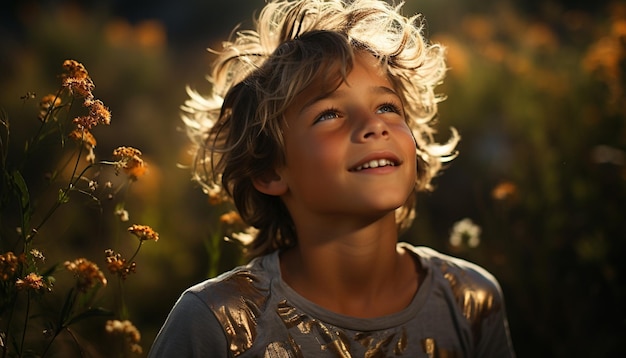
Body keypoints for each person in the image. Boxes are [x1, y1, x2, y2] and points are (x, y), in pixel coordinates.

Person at [149, 0, 515, 356]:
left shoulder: (470, 301)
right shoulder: (216, 323)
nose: (373, 125)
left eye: (387, 107)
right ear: (269, 171)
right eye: (329, 114)